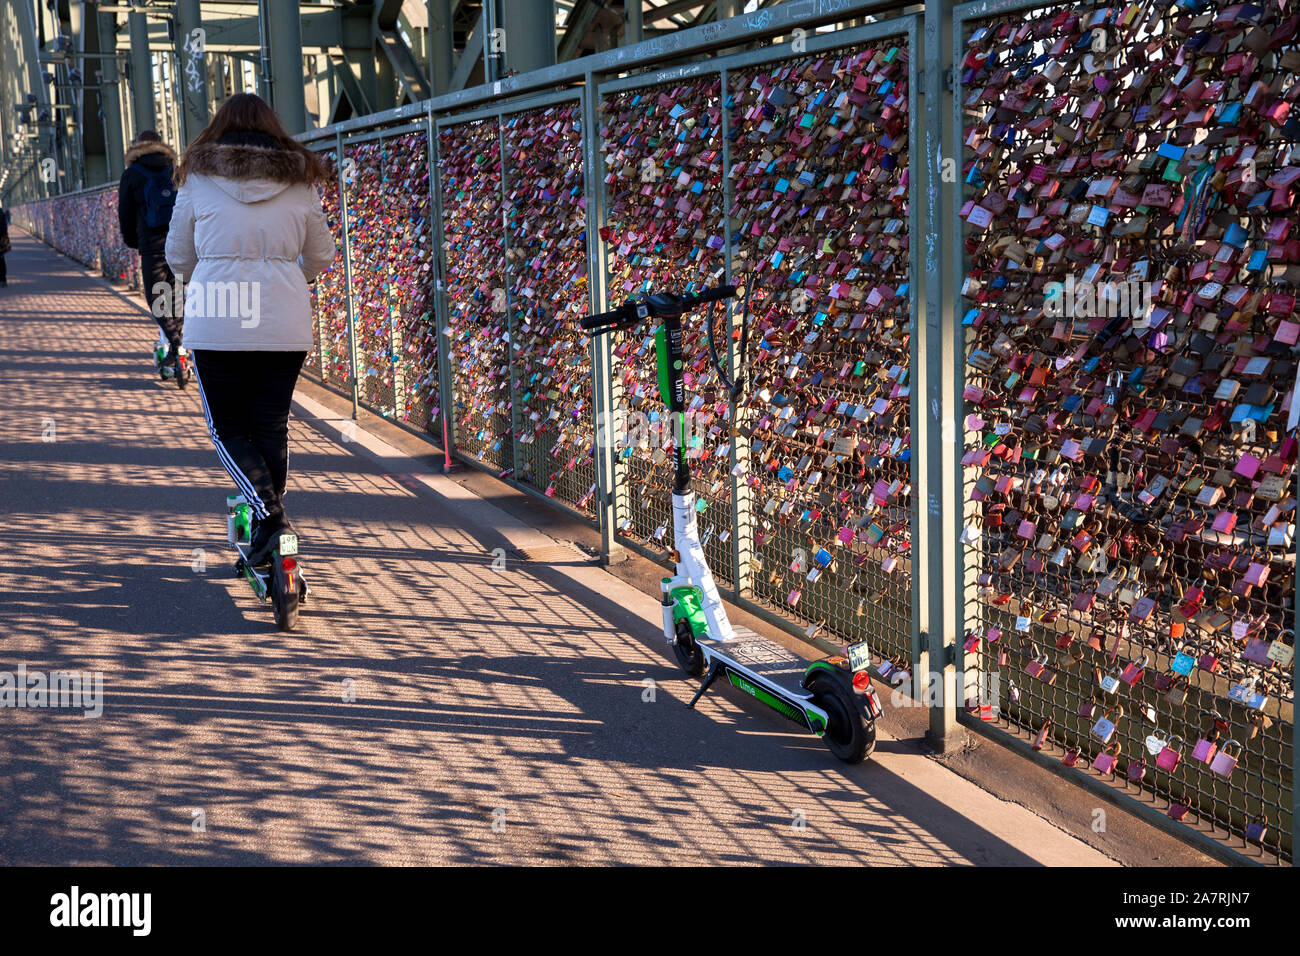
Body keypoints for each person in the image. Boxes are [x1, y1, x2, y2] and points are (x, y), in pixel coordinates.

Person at [166, 93, 335, 566]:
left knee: (227, 431)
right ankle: (267, 531)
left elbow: (179, 257)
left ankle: (273, 522)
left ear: (218, 129)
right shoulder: (299, 180)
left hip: (218, 319)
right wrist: (282, 277)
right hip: (285, 321)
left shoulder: (197, 178)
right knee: (270, 425)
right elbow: (321, 256)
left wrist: (215, 273)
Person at [118, 130, 184, 378]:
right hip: (178, 244)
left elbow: (125, 215)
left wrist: (134, 242)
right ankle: (182, 347)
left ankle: (176, 344)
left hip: (152, 247)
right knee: (175, 296)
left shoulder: (132, 174)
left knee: (156, 299)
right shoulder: (174, 169)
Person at [0, 203, 10, 287]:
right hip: (1, 239)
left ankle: (3, 279)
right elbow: (4, 227)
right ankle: (3, 279)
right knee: (1, 259)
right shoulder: (1, 212)